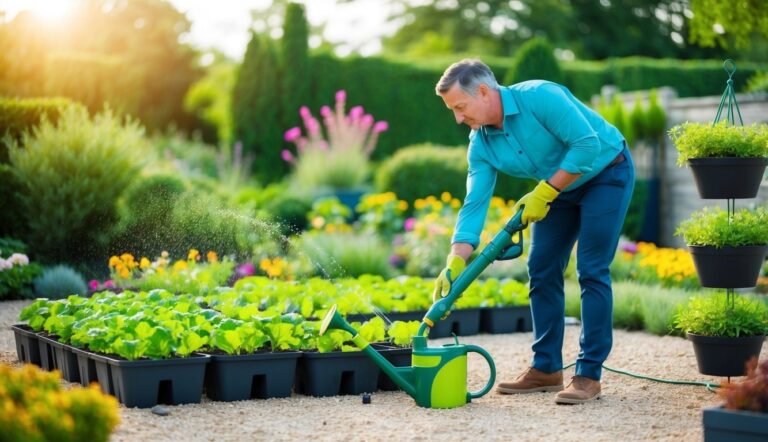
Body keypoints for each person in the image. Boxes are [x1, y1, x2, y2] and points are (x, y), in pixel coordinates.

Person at [432, 58, 634, 405]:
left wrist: (544, 192)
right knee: (541, 268)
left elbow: (586, 145)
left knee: (591, 268)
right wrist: (455, 260)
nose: (458, 118)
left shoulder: (540, 96)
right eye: (453, 110)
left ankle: (588, 375)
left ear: (483, 91)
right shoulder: (481, 143)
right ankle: (546, 369)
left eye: (461, 107)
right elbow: (475, 204)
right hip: (559, 189)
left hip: (606, 173)